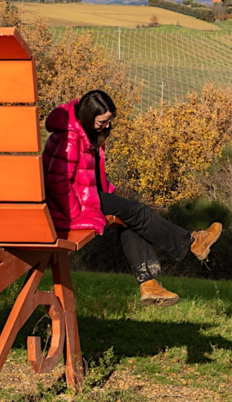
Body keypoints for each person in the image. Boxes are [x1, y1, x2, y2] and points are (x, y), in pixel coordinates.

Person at [42, 89, 222, 306]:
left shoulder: (81, 132)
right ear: (88, 116)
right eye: (102, 121)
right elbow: (57, 183)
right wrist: (76, 214)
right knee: (138, 212)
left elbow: (87, 175)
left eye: (109, 121)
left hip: (85, 197)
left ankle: (149, 285)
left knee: (130, 220)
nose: (106, 126)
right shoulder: (70, 138)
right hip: (71, 206)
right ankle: (193, 242)